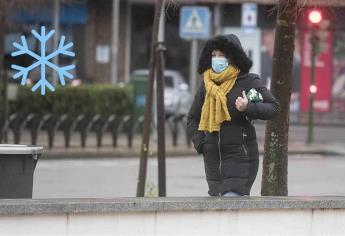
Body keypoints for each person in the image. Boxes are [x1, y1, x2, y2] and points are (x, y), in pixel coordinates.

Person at [187, 34, 280, 197]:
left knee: (230, 202)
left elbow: (273, 108)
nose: (217, 59)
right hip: (213, 163)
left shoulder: (248, 82)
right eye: (214, 55)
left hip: (240, 159)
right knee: (220, 215)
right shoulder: (207, 84)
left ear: (233, 57)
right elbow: (192, 118)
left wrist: (248, 107)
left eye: (222, 55)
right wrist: (201, 143)